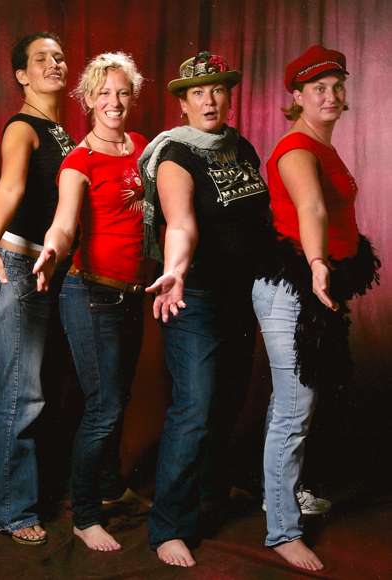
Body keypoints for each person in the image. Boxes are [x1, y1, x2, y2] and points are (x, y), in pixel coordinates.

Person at [140, 51, 273, 567]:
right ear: (183, 103)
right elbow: (180, 223)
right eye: (198, 92)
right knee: (193, 409)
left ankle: (211, 493)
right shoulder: (175, 155)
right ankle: (169, 525)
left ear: (230, 95)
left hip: (245, 297)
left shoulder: (242, 148)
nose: (210, 99)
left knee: (227, 403)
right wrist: (176, 268)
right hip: (193, 298)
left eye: (218, 89)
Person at [253, 45, 380, 571]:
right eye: (317, 89)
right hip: (293, 287)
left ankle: (278, 495)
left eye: (336, 86)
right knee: (295, 407)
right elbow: (310, 207)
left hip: (312, 285)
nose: (330, 96)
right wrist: (318, 262)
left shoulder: (323, 145)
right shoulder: (297, 148)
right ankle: (282, 530)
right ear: (298, 97)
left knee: (295, 400)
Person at [33, 52, 152, 552]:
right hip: (89, 293)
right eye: (104, 93)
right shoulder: (78, 160)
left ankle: (107, 489)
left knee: (116, 400)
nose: (114, 102)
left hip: (132, 294)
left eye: (122, 92)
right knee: (102, 406)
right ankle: (85, 516)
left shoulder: (143, 146)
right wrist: (52, 251)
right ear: (87, 99)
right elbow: (64, 222)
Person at [0, 32, 75, 545]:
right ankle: (12, 511)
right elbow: (8, 187)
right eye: (41, 59)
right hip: (18, 261)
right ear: (21, 75)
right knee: (21, 389)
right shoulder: (23, 126)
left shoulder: (60, 130)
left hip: (50, 268)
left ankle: (23, 491)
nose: (54, 64)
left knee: (42, 387)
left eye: (58, 57)